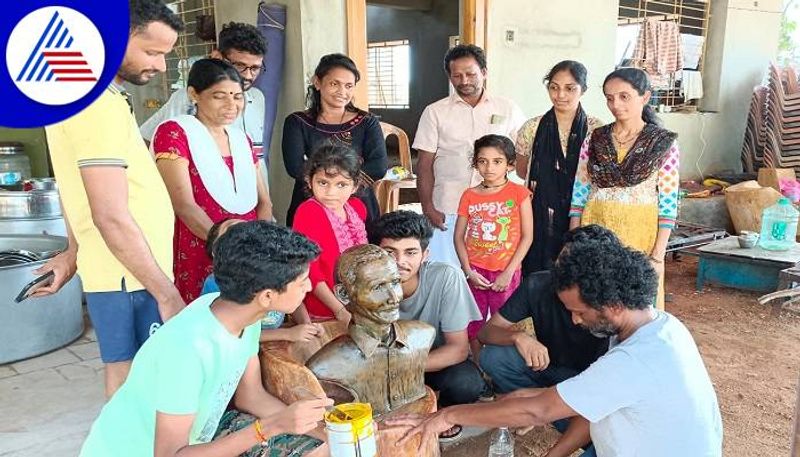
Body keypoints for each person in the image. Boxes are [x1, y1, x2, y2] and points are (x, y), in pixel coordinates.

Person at [387, 225, 723, 457]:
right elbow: (592, 407)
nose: (575, 320)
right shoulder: (659, 326)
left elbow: (539, 411)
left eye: (579, 312)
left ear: (613, 305)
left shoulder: (632, 360)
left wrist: (447, 416)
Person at [79, 221, 332, 457]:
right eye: (302, 282)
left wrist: (325, 432)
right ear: (266, 296)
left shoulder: (241, 314)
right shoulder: (187, 350)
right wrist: (273, 425)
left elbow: (251, 396)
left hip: (195, 442)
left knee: (321, 447)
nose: (309, 287)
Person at [44, 0, 185, 399]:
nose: (160, 66)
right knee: (132, 378)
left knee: (131, 372)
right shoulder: (97, 106)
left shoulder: (84, 96)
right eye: (152, 51)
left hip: (123, 269)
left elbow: (76, 190)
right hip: (128, 274)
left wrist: (74, 251)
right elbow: (109, 214)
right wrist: (166, 292)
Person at [478, 226, 613, 457]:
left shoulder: (614, 309)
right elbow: (486, 332)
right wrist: (518, 336)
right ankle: (535, 410)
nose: (564, 272)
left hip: (588, 385)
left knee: (602, 429)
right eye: (563, 262)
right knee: (494, 356)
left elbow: (604, 392)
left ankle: (547, 412)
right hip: (546, 367)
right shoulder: (539, 284)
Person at [152, 58, 273, 303]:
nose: (231, 104)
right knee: (205, 315)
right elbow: (184, 205)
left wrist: (258, 246)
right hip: (201, 243)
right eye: (219, 96)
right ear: (194, 94)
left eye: (237, 96)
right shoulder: (175, 133)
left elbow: (264, 201)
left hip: (248, 247)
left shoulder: (242, 139)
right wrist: (225, 247)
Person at [368, 210, 486, 441]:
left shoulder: (446, 277)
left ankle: (441, 413)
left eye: (410, 252)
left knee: (467, 383)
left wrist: (400, 367)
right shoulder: (367, 284)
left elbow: (459, 349)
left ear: (425, 254)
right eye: (389, 252)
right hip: (384, 368)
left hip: (432, 364)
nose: (400, 262)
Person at [569, 67, 680, 310]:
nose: (615, 104)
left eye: (624, 96)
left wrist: (658, 254)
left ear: (646, 97)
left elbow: (669, 203)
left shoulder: (662, 143)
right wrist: (574, 240)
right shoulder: (595, 139)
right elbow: (579, 193)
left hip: (639, 236)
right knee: (594, 303)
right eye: (609, 98)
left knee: (633, 307)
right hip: (595, 231)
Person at [414, 44, 526, 268]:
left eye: (471, 74)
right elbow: (424, 165)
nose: (464, 81)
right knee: (448, 271)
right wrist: (428, 207)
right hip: (449, 208)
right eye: (457, 75)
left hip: (496, 211)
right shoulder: (435, 111)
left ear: (484, 73)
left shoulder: (507, 108)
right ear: (450, 77)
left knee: (489, 272)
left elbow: (523, 153)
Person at [306, 244, 436, 416]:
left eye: (395, 283)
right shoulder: (324, 367)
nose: (394, 297)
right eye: (378, 287)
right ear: (344, 294)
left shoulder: (423, 335)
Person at [515, 60, 604, 274]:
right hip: (540, 212)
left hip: (583, 209)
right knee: (538, 268)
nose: (560, 95)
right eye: (554, 87)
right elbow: (522, 170)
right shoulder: (532, 128)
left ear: (583, 90)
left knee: (579, 270)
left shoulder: (597, 129)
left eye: (570, 88)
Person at [140, 22, 268, 165]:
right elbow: (146, 139)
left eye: (255, 68)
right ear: (217, 57)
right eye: (240, 65)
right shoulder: (191, 97)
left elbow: (256, 160)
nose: (249, 76)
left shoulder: (257, 98)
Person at [282, 53, 388, 225]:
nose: (342, 92)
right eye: (334, 84)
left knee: (360, 250)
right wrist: (326, 189)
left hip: (358, 202)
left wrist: (342, 188)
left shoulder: (367, 122)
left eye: (348, 86)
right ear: (317, 82)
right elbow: (295, 167)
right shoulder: (297, 122)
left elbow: (378, 166)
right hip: (310, 204)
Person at [454, 135, 533, 362]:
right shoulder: (469, 195)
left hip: (506, 272)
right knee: (474, 322)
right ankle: (480, 368)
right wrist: (468, 271)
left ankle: (501, 366)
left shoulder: (519, 194)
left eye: (497, 161)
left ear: (510, 164)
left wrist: (508, 272)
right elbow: (459, 236)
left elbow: (528, 236)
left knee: (506, 323)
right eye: (483, 161)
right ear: (475, 163)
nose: (489, 167)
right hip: (476, 272)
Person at [203, 218, 322, 344]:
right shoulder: (200, 346)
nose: (309, 287)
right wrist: (287, 334)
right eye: (303, 281)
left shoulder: (251, 314)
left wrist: (307, 325)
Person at [292, 144, 368, 322]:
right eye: (323, 183)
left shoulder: (357, 208)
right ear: (309, 181)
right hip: (323, 310)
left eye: (341, 185)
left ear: (355, 186)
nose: (331, 192)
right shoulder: (308, 212)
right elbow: (309, 269)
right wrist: (339, 310)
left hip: (356, 305)